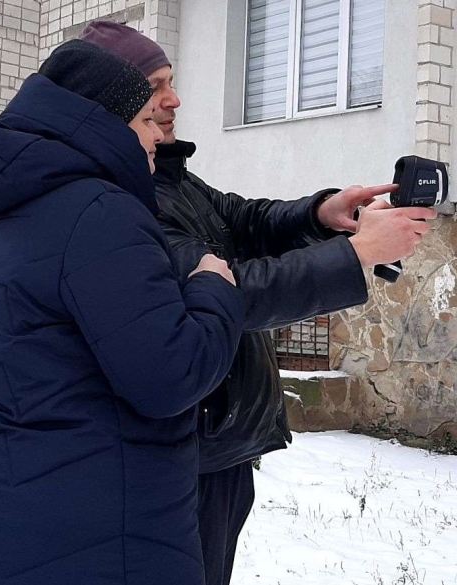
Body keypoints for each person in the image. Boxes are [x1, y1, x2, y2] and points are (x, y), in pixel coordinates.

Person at [80, 22, 437, 585]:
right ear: (112, 101)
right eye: (155, 87)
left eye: (172, 82)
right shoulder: (124, 195)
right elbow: (223, 294)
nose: (173, 100)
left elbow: (239, 220)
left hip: (217, 442)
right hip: (181, 448)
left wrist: (319, 214)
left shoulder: (170, 176)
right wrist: (357, 255)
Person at [0, 40, 245, 585]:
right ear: (105, 125)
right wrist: (213, 288)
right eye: (147, 120)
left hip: (16, 528)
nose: (159, 135)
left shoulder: (28, 213)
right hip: (95, 544)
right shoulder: (101, 215)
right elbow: (169, 376)